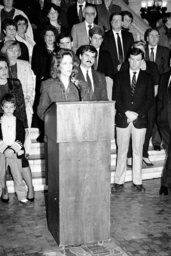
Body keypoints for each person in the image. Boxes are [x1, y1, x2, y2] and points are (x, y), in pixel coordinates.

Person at [111, 48, 154, 193]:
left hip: (140, 120)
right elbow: (116, 98)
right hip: (123, 118)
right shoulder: (119, 76)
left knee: (138, 152)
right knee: (122, 151)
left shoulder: (147, 77)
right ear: (128, 60)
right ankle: (118, 181)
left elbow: (149, 100)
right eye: (132, 59)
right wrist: (126, 112)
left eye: (138, 60)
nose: (135, 63)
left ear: (142, 61)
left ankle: (137, 181)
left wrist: (137, 114)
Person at [0, 55, 34, 202]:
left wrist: (25, 128)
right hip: (1, 129)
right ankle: (4, 189)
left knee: (22, 159)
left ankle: (30, 188)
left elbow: (20, 107)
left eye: (5, 67)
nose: (3, 71)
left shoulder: (15, 83)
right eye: (0, 68)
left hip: (16, 126)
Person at [120, 40, 159, 167]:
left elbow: (156, 86)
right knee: (132, 129)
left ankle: (145, 154)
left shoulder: (152, 65)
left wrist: (148, 102)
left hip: (148, 104)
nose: (140, 51)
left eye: (142, 49)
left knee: (148, 129)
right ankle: (130, 155)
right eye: (137, 48)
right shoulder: (127, 65)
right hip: (132, 106)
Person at [37, 48, 90, 121]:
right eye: (65, 63)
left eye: (70, 63)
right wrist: (53, 121)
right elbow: (41, 110)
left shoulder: (81, 85)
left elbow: (86, 109)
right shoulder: (47, 85)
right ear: (58, 66)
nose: (69, 66)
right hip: (55, 127)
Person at [1, 40, 36, 149]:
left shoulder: (25, 64)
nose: (14, 53)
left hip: (23, 103)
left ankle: (24, 152)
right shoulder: (3, 63)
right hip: (5, 108)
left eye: (17, 50)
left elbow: (31, 85)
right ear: (5, 51)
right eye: (11, 50)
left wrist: (28, 99)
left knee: (22, 132)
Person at [0, 94, 33, 206]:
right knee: (1, 175)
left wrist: (13, 149)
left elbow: (20, 136)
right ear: (2, 107)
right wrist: (4, 149)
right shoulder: (0, 121)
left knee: (18, 176)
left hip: (14, 153)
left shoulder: (18, 122)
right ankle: (3, 192)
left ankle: (22, 196)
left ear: (14, 108)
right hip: (2, 153)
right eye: (6, 107)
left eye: (11, 107)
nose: (8, 110)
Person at [145, 28, 170, 152]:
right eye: (152, 35)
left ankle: (156, 141)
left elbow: (166, 69)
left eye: (157, 36)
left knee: (160, 113)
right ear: (147, 38)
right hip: (144, 89)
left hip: (161, 87)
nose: (154, 38)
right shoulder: (141, 50)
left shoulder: (165, 51)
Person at [89, 26, 113, 100]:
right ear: (90, 38)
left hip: (102, 88)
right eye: (95, 38)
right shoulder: (83, 52)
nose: (97, 41)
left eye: (100, 39)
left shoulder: (106, 54)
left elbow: (110, 74)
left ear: (102, 40)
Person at [157, 67, 171, 195]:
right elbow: (161, 97)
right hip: (164, 121)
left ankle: (165, 184)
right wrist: (159, 114)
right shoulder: (164, 76)